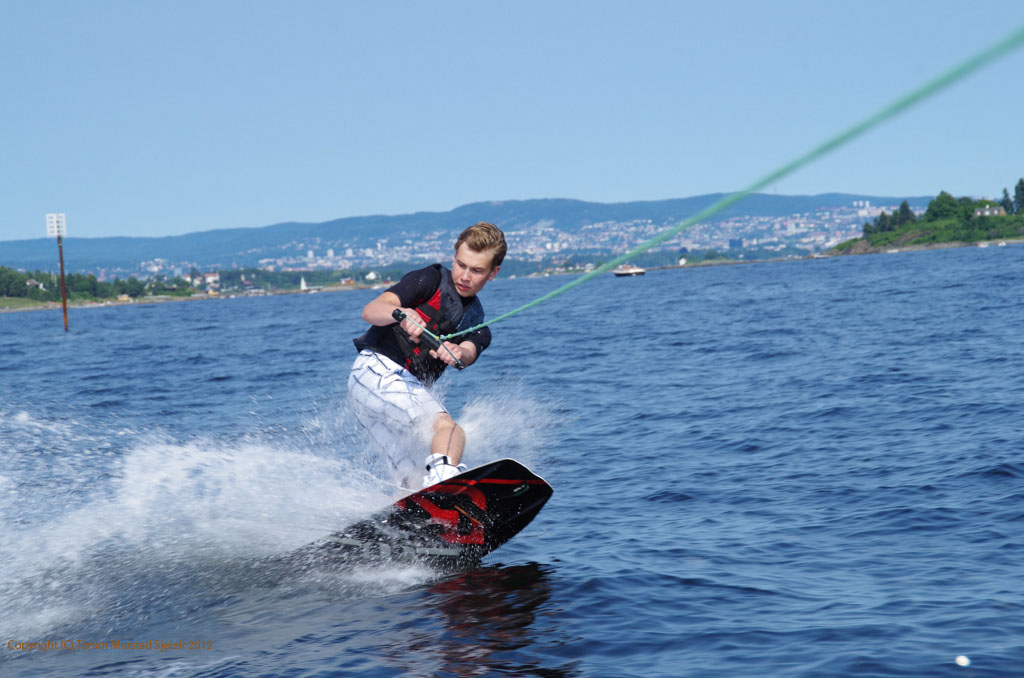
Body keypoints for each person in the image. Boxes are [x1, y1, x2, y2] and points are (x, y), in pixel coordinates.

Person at [347, 222, 506, 490]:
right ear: (453, 258)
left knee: (414, 479)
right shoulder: (430, 280)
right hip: (376, 372)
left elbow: (468, 352)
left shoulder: (478, 325)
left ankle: (416, 510)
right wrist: (400, 314)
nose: (465, 276)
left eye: (476, 270)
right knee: (448, 429)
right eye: (461, 265)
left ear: (493, 273)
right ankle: (445, 480)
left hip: (384, 395)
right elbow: (371, 310)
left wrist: (458, 351)